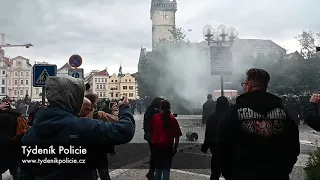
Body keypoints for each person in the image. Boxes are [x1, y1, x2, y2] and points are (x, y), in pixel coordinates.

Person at [20, 76, 135, 180]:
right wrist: (124, 108)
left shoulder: (30, 134)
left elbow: (25, 174)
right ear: (71, 98)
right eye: (79, 96)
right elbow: (125, 131)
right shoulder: (84, 127)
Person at [217, 68, 300, 180]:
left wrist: (229, 173)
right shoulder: (284, 112)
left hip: (242, 174)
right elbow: (293, 144)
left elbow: (222, 145)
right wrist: (284, 169)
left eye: (244, 84)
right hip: (276, 175)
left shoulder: (234, 112)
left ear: (249, 85)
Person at [201, 96, 231, 180]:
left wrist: (205, 146)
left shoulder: (212, 116)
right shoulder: (231, 116)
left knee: (215, 173)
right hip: (228, 148)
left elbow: (208, 133)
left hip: (215, 147)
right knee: (229, 173)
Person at [151, 100, 182, 180]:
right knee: (166, 169)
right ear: (169, 107)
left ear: (160, 107)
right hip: (167, 147)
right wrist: (175, 148)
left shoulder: (155, 117)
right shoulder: (172, 119)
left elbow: (152, 131)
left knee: (158, 169)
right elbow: (177, 136)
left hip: (156, 146)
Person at [144, 97, 164, 180]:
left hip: (149, 135)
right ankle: (151, 173)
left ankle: (151, 172)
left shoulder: (149, 110)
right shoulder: (156, 112)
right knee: (157, 155)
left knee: (154, 154)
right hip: (154, 136)